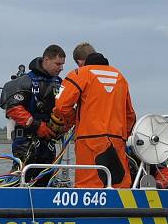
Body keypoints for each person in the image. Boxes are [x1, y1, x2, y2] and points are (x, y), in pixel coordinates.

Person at [53, 52, 136, 189]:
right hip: (117, 140)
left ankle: (87, 210)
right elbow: (130, 115)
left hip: (89, 140)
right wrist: (123, 136)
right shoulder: (120, 78)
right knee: (120, 185)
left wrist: (74, 120)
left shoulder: (79, 74)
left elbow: (61, 106)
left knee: (88, 186)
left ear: (83, 62)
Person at [0, 44, 65, 185]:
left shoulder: (60, 84)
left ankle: (44, 204)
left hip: (49, 142)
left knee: (46, 179)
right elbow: (13, 108)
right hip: (26, 142)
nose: (61, 68)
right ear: (46, 60)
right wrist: (37, 126)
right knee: (21, 179)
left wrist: (62, 126)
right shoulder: (24, 81)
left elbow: (66, 109)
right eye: (58, 64)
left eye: (63, 65)